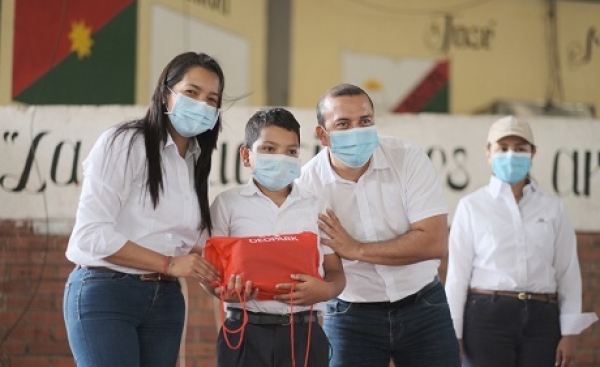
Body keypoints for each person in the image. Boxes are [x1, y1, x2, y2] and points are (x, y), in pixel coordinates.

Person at [63, 51, 224, 367]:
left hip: (165, 301)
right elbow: (91, 235)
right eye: (191, 92)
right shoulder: (124, 142)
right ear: (166, 94)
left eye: (212, 99)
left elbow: (198, 246)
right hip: (107, 291)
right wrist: (169, 263)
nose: (202, 105)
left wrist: (228, 279)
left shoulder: (195, 160)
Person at [298, 83, 461, 367]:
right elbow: (320, 265)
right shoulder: (307, 186)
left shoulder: (407, 158)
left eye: (365, 121)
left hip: (423, 305)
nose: (357, 131)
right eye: (343, 124)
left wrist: (355, 249)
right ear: (323, 135)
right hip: (350, 314)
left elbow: (434, 243)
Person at [445, 116, 598, 367]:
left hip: (542, 319)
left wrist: (569, 333)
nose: (510, 155)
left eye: (519, 149)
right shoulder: (471, 207)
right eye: (502, 149)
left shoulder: (553, 208)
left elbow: (568, 272)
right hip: (486, 318)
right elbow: (457, 276)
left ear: (533, 153)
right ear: (488, 153)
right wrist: (453, 332)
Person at [205, 107, 346, 367]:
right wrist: (225, 292)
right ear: (246, 155)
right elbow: (209, 275)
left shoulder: (316, 206)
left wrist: (324, 290)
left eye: (291, 151)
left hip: (304, 332)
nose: (281, 157)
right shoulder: (227, 204)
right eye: (269, 149)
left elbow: (336, 274)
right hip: (244, 331)